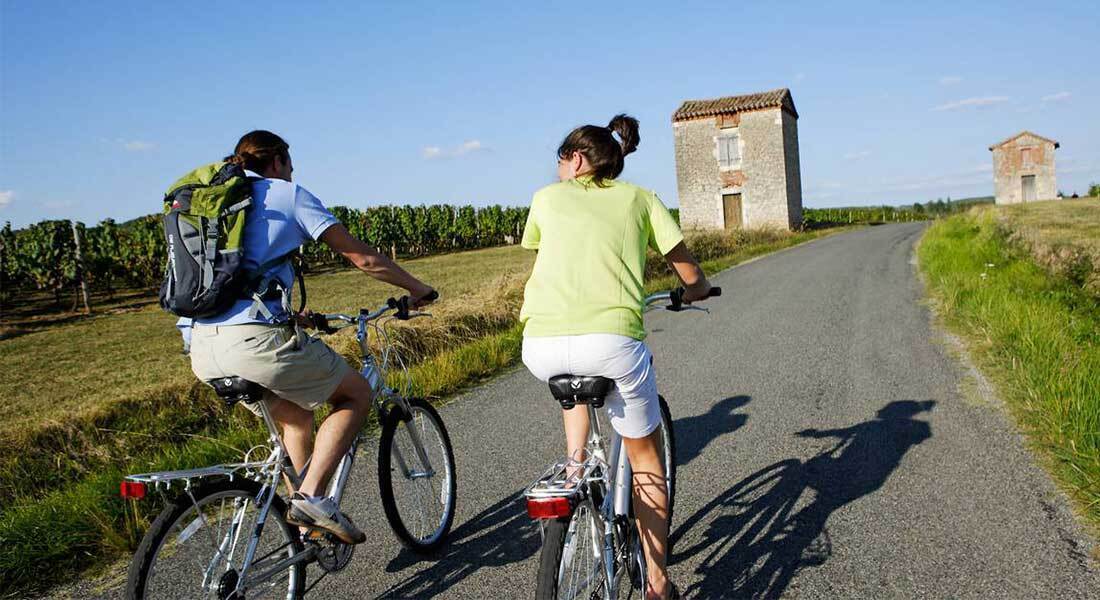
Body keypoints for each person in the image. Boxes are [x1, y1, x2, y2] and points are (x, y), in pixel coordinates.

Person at [186, 130, 436, 544]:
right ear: (280, 160)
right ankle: (313, 497)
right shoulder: (287, 195)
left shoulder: (215, 211)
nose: (291, 173)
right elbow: (361, 256)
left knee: (296, 416)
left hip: (202, 345)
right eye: (291, 166)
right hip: (252, 344)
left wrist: (291, 315)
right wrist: (417, 289)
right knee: (355, 393)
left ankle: (304, 534)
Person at [519, 115, 714, 600]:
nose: (559, 169)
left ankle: (575, 469)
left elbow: (550, 251)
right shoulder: (642, 198)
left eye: (561, 160)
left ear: (577, 159)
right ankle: (656, 583)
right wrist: (697, 290)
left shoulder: (545, 198)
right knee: (647, 460)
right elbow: (689, 271)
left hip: (540, 345)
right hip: (611, 343)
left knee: (575, 389)